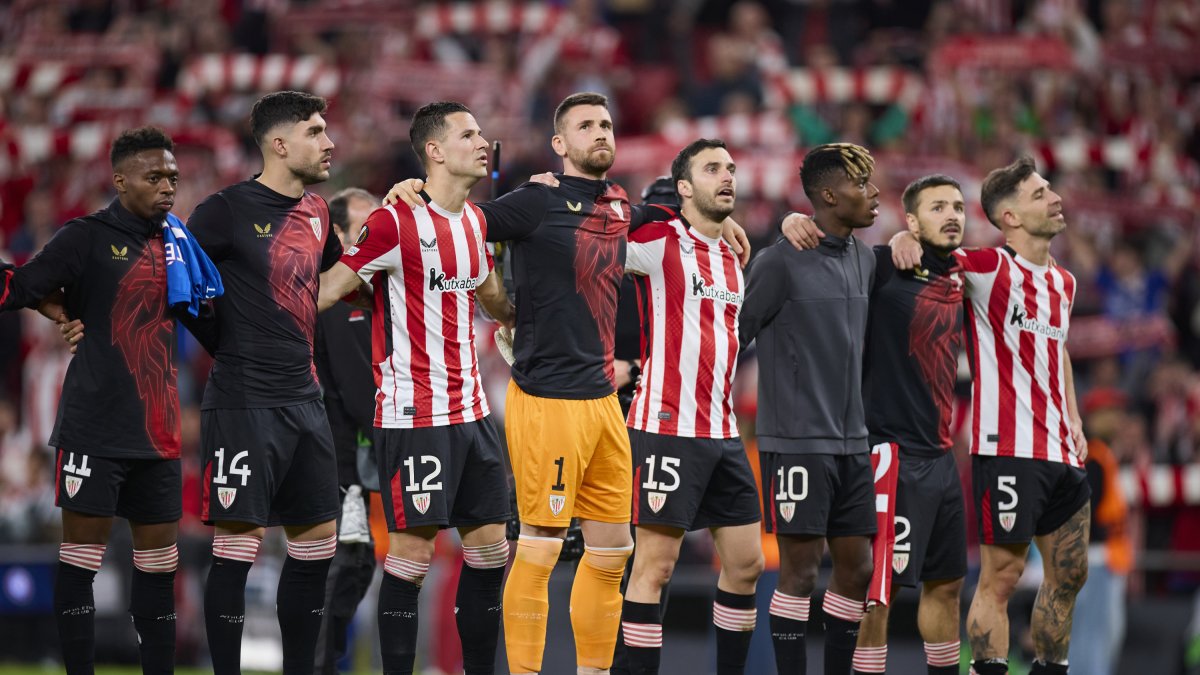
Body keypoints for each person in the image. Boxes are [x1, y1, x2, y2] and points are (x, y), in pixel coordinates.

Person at [383, 92, 751, 675]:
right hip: (546, 397)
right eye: (585, 126)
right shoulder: (532, 201)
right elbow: (460, 220)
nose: (600, 132)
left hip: (604, 403)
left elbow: (671, 216)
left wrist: (722, 215)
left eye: (606, 123)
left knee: (612, 553)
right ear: (559, 146)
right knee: (540, 543)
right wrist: (414, 192)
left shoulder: (619, 204)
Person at [318, 101, 516, 675]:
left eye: (482, 132)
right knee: (410, 557)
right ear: (434, 151)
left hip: (473, 412)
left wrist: (507, 289)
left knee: (490, 553)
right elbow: (332, 288)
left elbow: (493, 301)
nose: (483, 142)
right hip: (414, 416)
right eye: (468, 134)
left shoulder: (476, 222)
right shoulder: (394, 220)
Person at [0, 127, 198, 674]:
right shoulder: (84, 237)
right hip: (94, 426)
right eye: (153, 177)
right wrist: (47, 306)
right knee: (80, 563)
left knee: (159, 566)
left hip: (159, 429)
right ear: (120, 180)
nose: (167, 187)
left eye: (173, 178)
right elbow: (20, 286)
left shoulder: (179, 240)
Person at [890, 156, 1090, 675]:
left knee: (1070, 573)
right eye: (1040, 193)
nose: (1054, 197)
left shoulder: (1064, 283)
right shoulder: (986, 267)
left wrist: (1075, 418)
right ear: (1010, 218)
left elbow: (1059, 350)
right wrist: (897, 240)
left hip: (1061, 448)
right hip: (1007, 448)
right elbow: (929, 250)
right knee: (1003, 575)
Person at [187, 91, 344, 675]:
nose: (329, 143)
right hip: (244, 402)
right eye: (316, 132)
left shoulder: (319, 211)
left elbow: (329, 280)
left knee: (316, 548)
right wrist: (226, 344)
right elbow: (176, 291)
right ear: (280, 144)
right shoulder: (223, 210)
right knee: (237, 552)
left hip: (306, 401)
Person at [619, 139, 764, 675]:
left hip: (723, 432)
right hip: (665, 427)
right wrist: (668, 212)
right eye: (711, 169)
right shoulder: (660, 239)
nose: (727, 175)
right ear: (683, 187)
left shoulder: (732, 254)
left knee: (746, 564)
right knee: (655, 567)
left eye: (730, 167)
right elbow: (595, 240)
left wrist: (717, 226)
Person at [738, 142, 879, 675]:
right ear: (827, 195)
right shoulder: (779, 262)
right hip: (796, 441)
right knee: (798, 572)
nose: (874, 194)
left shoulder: (867, 259)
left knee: (857, 568)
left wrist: (912, 237)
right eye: (861, 185)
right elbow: (733, 336)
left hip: (852, 443)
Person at [851, 175, 969, 675]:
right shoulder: (882, 265)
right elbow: (825, 251)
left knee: (947, 586)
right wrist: (894, 240)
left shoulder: (964, 274)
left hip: (941, 460)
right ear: (913, 220)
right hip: (891, 456)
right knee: (880, 593)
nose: (953, 214)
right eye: (938, 206)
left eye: (959, 206)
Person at [312, 186, 378, 674]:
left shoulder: (364, 295)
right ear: (336, 234)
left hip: (344, 456)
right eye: (365, 230)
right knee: (344, 563)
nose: (378, 239)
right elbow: (358, 393)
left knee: (353, 562)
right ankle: (319, 665)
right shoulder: (339, 297)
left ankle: (326, 662)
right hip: (336, 457)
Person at [1068, 387, 1132, 675]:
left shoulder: (1102, 454)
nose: (1118, 419)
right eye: (1111, 412)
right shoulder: (1092, 456)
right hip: (1095, 562)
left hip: (1103, 561)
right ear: (1093, 417)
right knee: (1092, 642)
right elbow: (1084, 513)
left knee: (1099, 639)